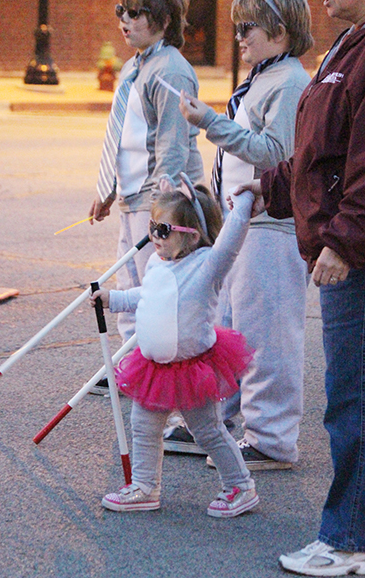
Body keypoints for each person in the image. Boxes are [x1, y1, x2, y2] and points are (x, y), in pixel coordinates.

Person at [236, 0, 365, 575]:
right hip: (334, 250)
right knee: (349, 398)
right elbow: (318, 155)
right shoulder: (344, 49)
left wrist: (342, 239)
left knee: (352, 401)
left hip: (354, 261)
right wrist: (266, 190)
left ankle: (347, 540)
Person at [174, 0, 313, 470]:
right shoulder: (265, 77)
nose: (239, 36)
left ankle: (272, 438)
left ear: (280, 28)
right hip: (242, 224)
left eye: (247, 25)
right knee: (228, 328)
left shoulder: (291, 81)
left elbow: (274, 154)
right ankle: (217, 424)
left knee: (267, 333)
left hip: (270, 225)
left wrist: (211, 122)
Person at [90, 174, 259, 517]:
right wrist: (114, 298)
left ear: (192, 236)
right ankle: (144, 487)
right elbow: (148, 294)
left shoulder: (207, 266)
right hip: (153, 368)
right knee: (144, 428)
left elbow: (230, 242)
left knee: (208, 432)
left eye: (163, 231)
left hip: (191, 368)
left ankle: (240, 486)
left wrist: (242, 204)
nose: (154, 236)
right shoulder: (158, 261)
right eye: (153, 227)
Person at [88, 0, 204, 394]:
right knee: (128, 286)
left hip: (157, 199)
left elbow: (172, 146)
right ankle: (131, 366)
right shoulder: (135, 67)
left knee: (151, 290)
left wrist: (162, 210)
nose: (125, 20)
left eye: (137, 12)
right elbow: (126, 135)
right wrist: (109, 190)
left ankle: (154, 373)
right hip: (131, 197)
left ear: (164, 20)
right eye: (122, 9)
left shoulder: (170, 71)